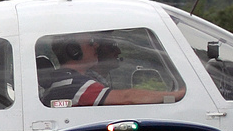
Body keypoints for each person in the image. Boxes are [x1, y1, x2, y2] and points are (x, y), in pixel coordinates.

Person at [40, 34, 186, 107]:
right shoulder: (75, 85)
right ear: (73, 50)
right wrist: (176, 95)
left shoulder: (62, 80)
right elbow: (126, 98)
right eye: (90, 43)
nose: (96, 45)